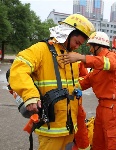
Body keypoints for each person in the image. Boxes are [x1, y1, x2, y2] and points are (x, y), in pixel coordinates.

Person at [9, 14, 95, 150]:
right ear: (68, 33)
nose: (77, 47)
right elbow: (18, 68)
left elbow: (71, 84)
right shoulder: (41, 49)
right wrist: (30, 95)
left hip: (69, 127)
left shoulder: (71, 58)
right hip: (51, 129)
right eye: (77, 42)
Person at [58, 31, 116, 150]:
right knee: (98, 142)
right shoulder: (96, 68)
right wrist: (62, 86)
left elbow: (110, 64)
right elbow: (83, 82)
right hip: (102, 108)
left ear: (97, 45)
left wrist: (81, 58)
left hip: (114, 109)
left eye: (90, 47)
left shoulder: (111, 56)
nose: (89, 50)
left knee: (114, 144)